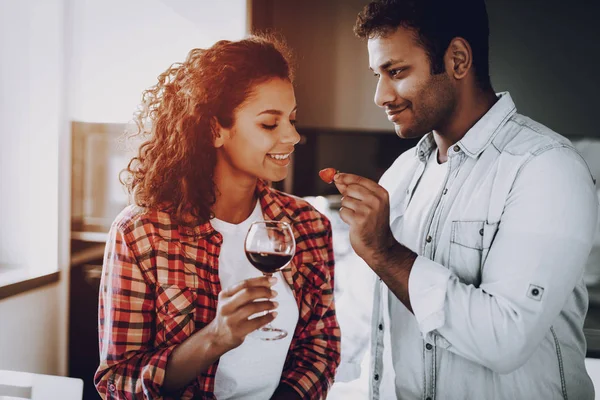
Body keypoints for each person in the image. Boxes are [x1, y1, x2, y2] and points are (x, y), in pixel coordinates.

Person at [332, 0, 599, 398]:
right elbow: (382, 331)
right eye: (377, 74)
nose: (380, 95)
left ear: (457, 60)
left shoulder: (546, 167)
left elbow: (504, 339)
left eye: (397, 71)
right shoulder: (401, 176)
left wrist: (385, 251)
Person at [94, 35, 340, 400]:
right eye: (270, 124)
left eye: (291, 119)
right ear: (214, 130)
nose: (292, 136)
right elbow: (117, 382)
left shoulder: (307, 225)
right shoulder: (140, 232)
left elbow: (321, 350)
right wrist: (215, 337)